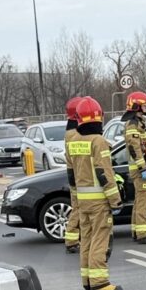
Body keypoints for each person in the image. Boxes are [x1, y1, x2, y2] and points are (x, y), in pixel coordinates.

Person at [69, 96, 122, 290]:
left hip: (82, 201)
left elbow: (70, 174)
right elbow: (104, 172)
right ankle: (100, 282)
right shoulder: (98, 141)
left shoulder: (73, 141)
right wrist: (115, 200)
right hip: (99, 201)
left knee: (87, 240)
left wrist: (75, 199)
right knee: (100, 239)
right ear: (99, 117)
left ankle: (87, 280)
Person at [122, 90, 146, 245]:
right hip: (140, 169)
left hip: (143, 167)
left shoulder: (139, 122)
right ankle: (143, 234)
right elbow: (134, 148)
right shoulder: (133, 124)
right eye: (145, 105)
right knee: (144, 200)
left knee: (140, 200)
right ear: (137, 106)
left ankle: (136, 231)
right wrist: (143, 168)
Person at [63, 96, 82, 254]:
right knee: (78, 207)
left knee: (78, 206)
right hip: (77, 175)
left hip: (74, 174)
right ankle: (71, 240)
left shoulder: (70, 132)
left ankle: (73, 238)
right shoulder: (74, 134)